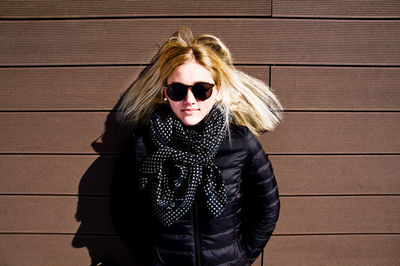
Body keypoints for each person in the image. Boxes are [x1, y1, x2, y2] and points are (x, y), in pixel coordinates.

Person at [114, 27, 282, 266]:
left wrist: (241, 258)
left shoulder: (240, 141)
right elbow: (123, 209)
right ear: (165, 93)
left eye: (202, 90)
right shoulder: (143, 142)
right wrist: (152, 259)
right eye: (178, 90)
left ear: (218, 90)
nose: (189, 100)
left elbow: (268, 208)